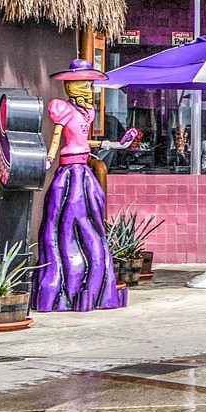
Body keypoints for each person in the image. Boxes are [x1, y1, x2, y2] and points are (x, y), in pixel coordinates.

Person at [34, 60, 125, 312]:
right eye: (84, 83)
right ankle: (64, 285)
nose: (88, 87)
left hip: (83, 168)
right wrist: (49, 158)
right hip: (69, 170)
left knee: (90, 219)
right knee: (65, 220)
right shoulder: (61, 108)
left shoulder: (88, 112)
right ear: (72, 86)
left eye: (89, 83)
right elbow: (56, 139)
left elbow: (85, 140)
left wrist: (113, 145)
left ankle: (92, 284)